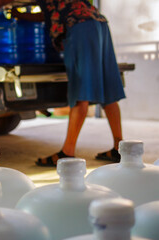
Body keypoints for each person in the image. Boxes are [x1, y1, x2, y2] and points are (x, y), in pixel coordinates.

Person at [9, 0, 125, 166]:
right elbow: (46, 14)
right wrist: (21, 15)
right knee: (108, 90)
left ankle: (67, 152)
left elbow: (44, 13)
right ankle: (120, 148)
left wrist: (15, 13)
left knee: (80, 91)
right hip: (99, 23)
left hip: (79, 26)